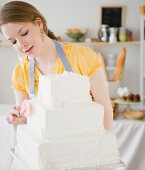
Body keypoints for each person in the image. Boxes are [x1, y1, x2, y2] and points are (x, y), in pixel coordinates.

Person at [0, 1, 113, 136]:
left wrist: (101, 147)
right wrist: (17, 119)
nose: (21, 45)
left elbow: (105, 108)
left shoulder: (83, 57)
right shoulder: (21, 73)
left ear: (39, 24)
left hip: (86, 145)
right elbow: (27, 122)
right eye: (13, 41)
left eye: (24, 33)